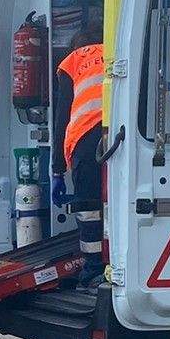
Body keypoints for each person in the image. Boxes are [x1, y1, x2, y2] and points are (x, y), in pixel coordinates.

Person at [52, 19, 106, 284]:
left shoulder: (72, 62)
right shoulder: (118, 52)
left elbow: (62, 117)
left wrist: (57, 170)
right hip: (121, 132)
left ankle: (94, 267)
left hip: (85, 137)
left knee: (88, 206)